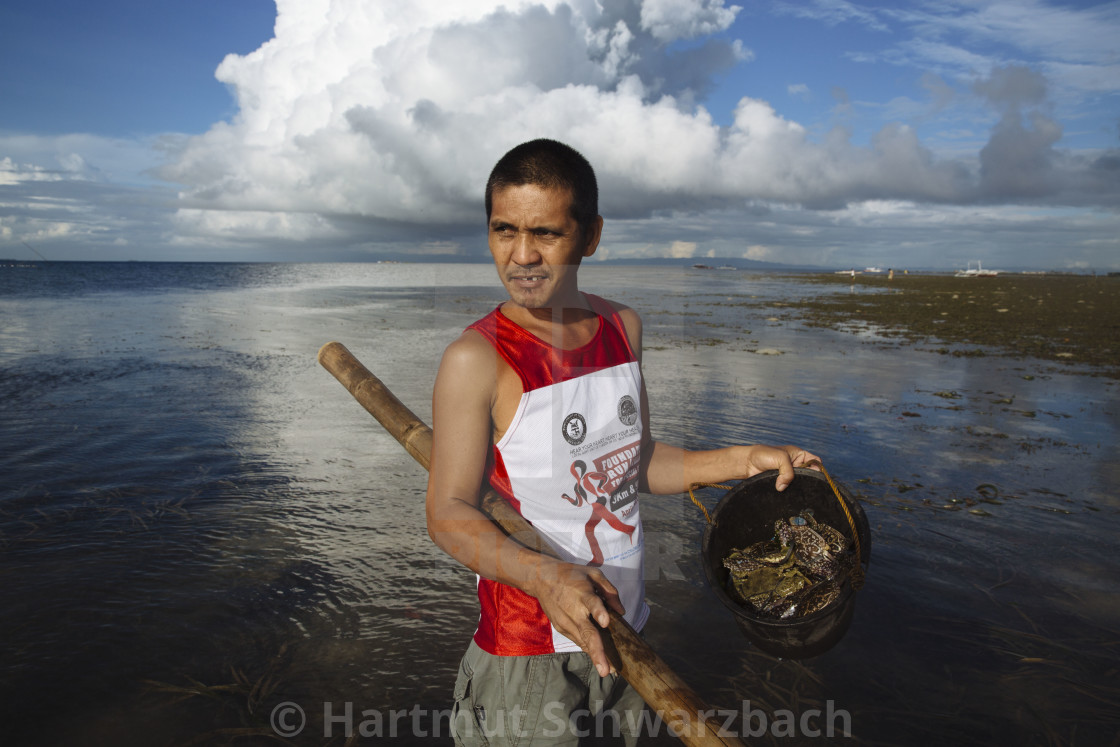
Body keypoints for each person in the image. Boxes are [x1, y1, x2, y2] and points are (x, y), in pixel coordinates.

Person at [425, 139, 820, 745]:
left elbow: (632, 465)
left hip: (628, 631)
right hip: (532, 649)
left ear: (590, 235)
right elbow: (448, 513)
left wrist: (744, 460)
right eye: (504, 230)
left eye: (547, 234)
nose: (522, 255)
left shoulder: (621, 327)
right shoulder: (476, 358)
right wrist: (545, 578)